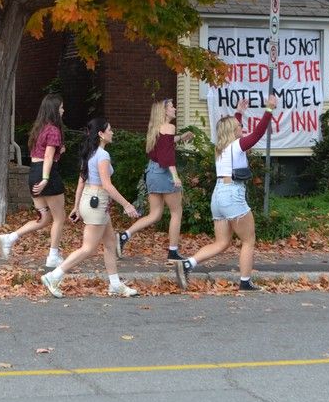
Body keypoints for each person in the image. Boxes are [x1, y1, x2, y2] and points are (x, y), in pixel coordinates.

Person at [174, 94, 279, 292]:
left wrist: (239, 113)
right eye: (239, 127)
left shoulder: (221, 148)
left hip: (218, 195)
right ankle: (245, 282)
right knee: (248, 240)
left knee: (221, 242)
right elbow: (257, 134)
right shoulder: (238, 146)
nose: (242, 128)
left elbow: (236, 131)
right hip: (232, 194)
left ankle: (188, 263)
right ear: (233, 131)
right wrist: (269, 109)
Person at [41, 118, 140, 298]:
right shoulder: (102, 156)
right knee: (89, 248)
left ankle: (115, 284)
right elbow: (107, 185)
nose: (112, 132)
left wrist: (77, 206)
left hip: (91, 201)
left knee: (110, 244)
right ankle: (54, 276)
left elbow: (81, 180)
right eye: (110, 130)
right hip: (98, 203)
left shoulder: (90, 153)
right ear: (101, 134)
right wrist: (126, 204)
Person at [116, 98, 194, 262]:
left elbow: (163, 145)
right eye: (172, 106)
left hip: (151, 172)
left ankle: (124, 236)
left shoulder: (156, 129)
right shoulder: (169, 127)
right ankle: (173, 252)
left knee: (155, 214)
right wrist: (175, 176)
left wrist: (181, 137)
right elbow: (167, 156)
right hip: (164, 173)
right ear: (164, 111)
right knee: (176, 212)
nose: (175, 108)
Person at [0, 94, 68, 268]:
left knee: (44, 218)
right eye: (61, 107)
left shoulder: (40, 129)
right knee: (60, 217)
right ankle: (53, 255)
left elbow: (42, 153)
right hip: (47, 174)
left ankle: (10, 238)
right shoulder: (53, 130)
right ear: (54, 110)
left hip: (34, 173)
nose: (63, 110)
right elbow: (48, 156)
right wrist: (46, 179)